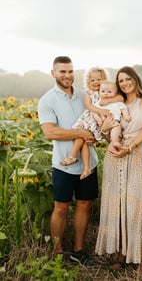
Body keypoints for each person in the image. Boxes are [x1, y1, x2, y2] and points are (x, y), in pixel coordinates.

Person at [95, 66, 142, 274]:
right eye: (120, 80)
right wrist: (104, 131)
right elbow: (108, 132)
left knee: (135, 205)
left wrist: (129, 148)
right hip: (115, 156)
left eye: (127, 79)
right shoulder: (116, 103)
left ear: (135, 79)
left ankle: (140, 258)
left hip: (136, 154)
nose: (124, 83)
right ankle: (120, 252)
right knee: (116, 205)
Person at [38, 56, 98, 266]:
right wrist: (80, 132)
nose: (67, 75)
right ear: (53, 73)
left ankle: (78, 251)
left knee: (84, 204)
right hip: (63, 163)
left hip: (89, 162)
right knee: (61, 208)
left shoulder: (85, 96)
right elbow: (50, 132)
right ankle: (57, 252)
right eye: (62, 72)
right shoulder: (47, 100)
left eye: (70, 71)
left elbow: (97, 118)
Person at [60, 67, 124, 179]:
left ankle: (76, 159)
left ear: (104, 79)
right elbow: (89, 106)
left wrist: (108, 101)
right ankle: (84, 165)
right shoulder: (88, 93)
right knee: (82, 137)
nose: (96, 82)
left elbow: (120, 98)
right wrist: (101, 110)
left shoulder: (106, 91)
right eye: (92, 80)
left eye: (98, 79)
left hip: (100, 121)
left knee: (85, 140)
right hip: (90, 117)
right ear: (88, 82)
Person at [93, 80, 131, 153]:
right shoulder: (99, 103)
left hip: (114, 122)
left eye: (109, 92)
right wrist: (98, 120)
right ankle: (112, 143)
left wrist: (126, 115)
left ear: (115, 93)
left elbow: (123, 108)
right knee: (105, 131)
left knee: (116, 128)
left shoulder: (117, 102)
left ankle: (114, 142)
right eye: (103, 91)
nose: (106, 94)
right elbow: (94, 112)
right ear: (99, 92)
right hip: (103, 123)